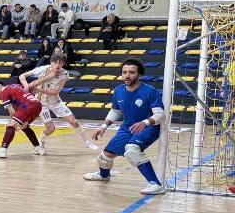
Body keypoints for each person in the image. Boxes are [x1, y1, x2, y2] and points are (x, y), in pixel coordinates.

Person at [84, 58, 167, 195]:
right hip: (127, 128)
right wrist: (104, 126)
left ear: (139, 74)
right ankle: (104, 176)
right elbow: (116, 111)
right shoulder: (118, 90)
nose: (127, 75)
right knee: (104, 158)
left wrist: (145, 122)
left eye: (131, 72)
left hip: (148, 128)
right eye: (124, 72)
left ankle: (156, 185)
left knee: (132, 150)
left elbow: (160, 115)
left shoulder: (150, 91)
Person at [20, 54, 98, 154]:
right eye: (55, 62)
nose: (58, 65)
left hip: (55, 101)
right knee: (51, 129)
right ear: (51, 63)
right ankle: (41, 141)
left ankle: (87, 142)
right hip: (41, 103)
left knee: (74, 122)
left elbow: (56, 92)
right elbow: (22, 76)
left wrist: (40, 89)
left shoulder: (64, 73)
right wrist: (26, 86)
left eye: (60, 63)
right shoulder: (42, 69)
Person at [0, 81, 44, 159]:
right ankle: (38, 148)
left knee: (10, 125)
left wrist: (12, 123)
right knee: (24, 126)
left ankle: (2, 150)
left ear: (0, 86)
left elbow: (12, 111)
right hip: (37, 105)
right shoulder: (15, 85)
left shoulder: (4, 93)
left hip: (27, 106)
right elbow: (28, 89)